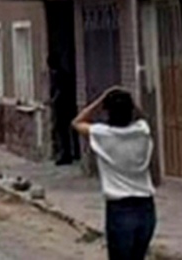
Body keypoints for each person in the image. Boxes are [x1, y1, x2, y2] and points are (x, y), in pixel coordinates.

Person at [73, 87, 156, 260]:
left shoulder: (103, 134)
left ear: (107, 111)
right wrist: (131, 101)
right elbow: (145, 118)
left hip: (120, 208)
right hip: (146, 208)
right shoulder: (142, 131)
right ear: (131, 111)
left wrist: (101, 98)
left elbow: (77, 122)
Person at [49, 51, 80, 165]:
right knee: (68, 131)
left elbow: (59, 91)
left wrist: (52, 101)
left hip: (61, 108)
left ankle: (66, 155)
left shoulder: (58, 75)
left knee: (62, 132)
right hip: (68, 106)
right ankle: (73, 152)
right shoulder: (63, 73)